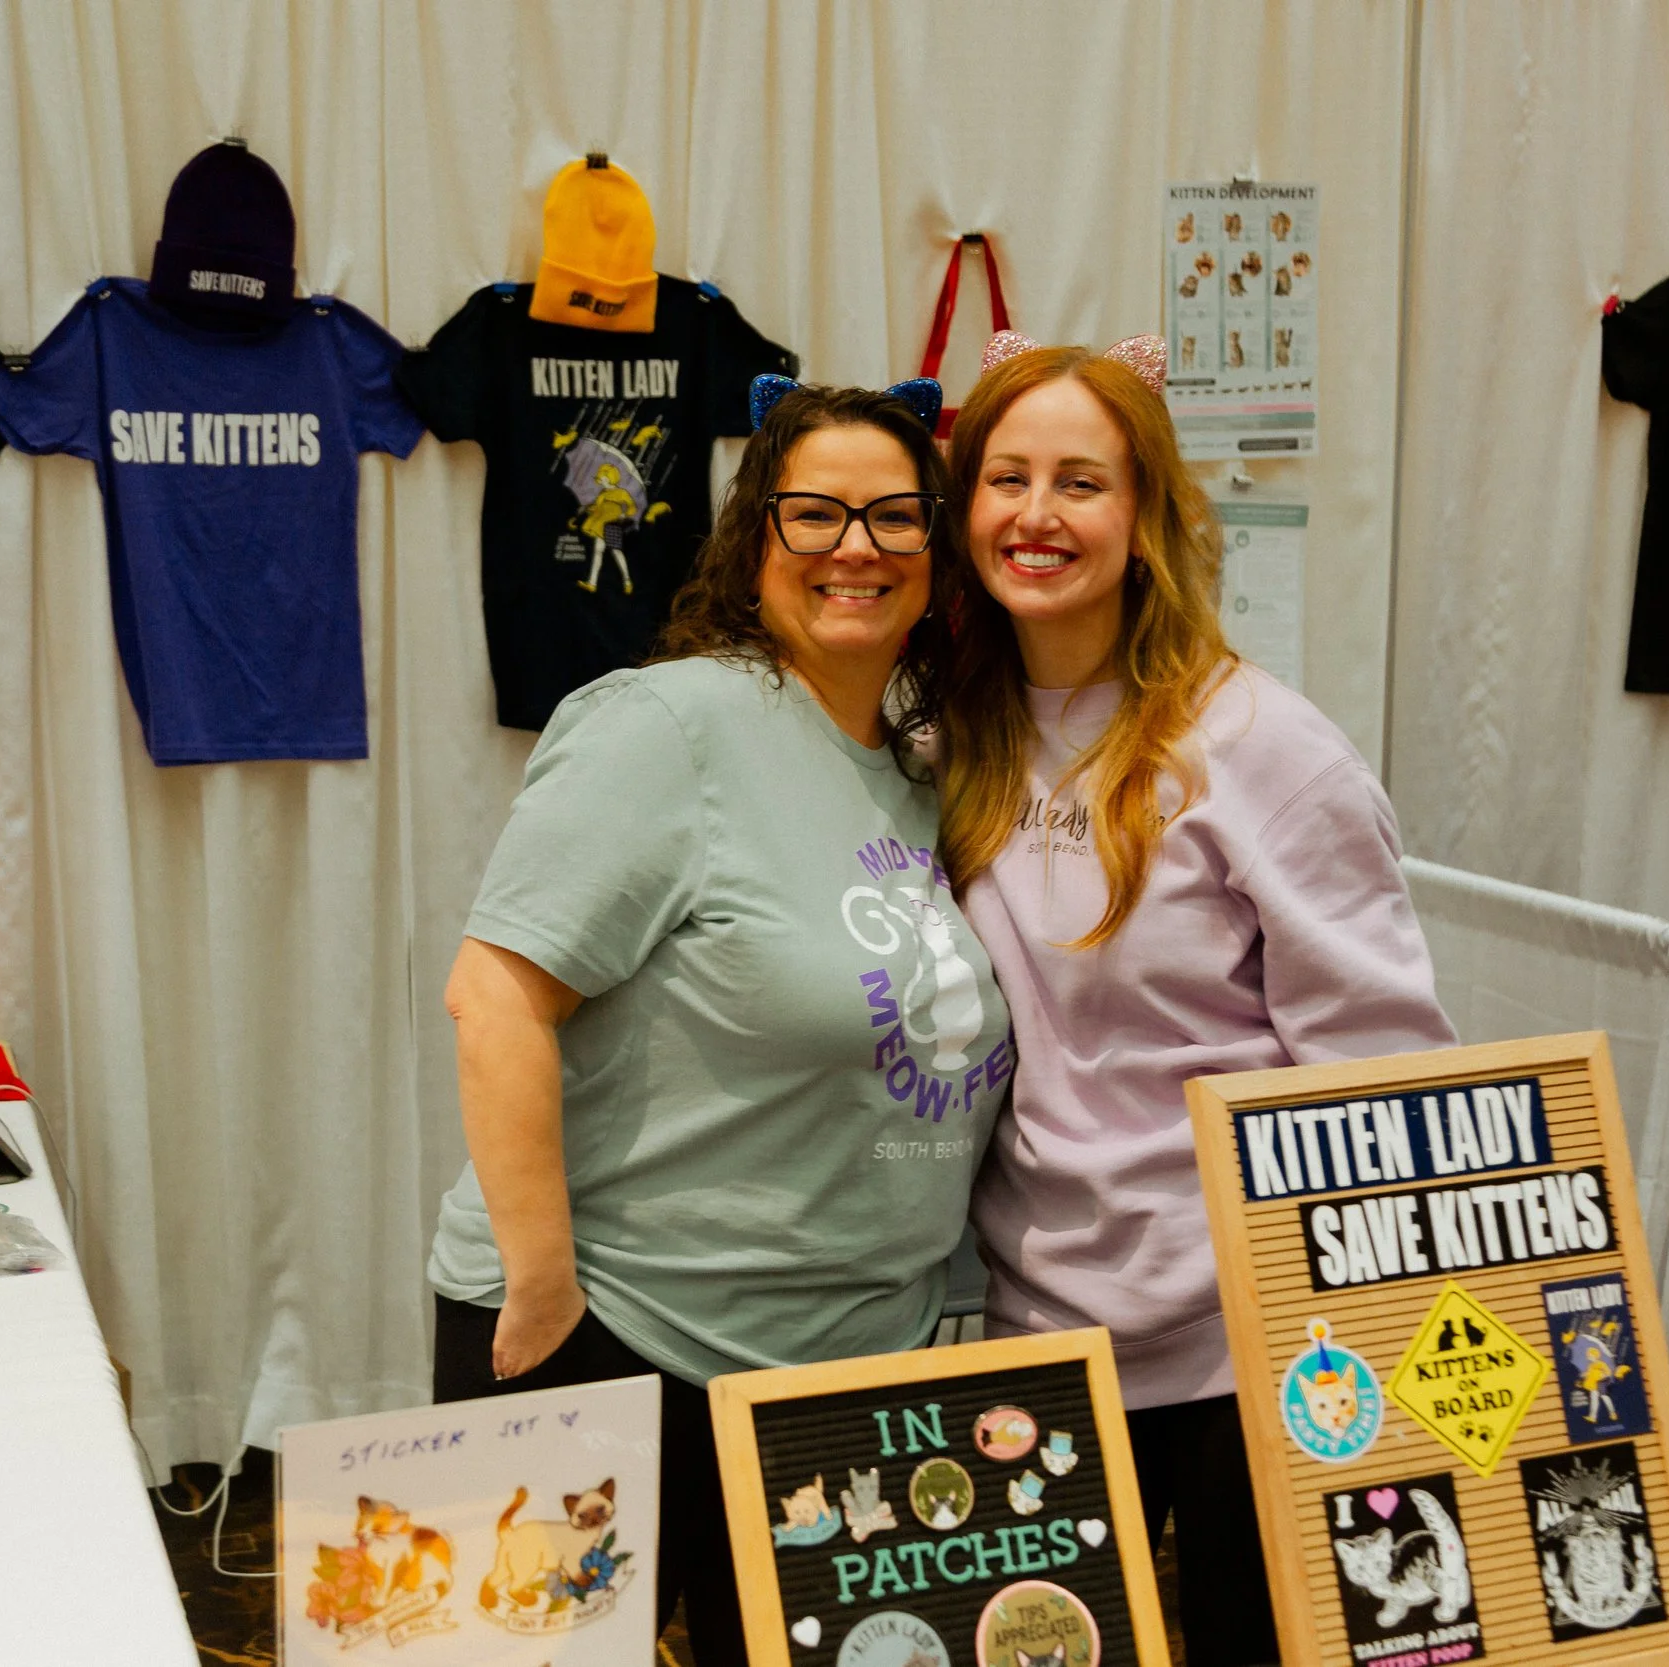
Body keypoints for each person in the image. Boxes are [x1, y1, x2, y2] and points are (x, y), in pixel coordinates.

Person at [428, 379, 1015, 1666]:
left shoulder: (926, 768)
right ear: (755, 540)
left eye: (895, 516)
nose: (855, 546)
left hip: (836, 1372)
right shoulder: (668, 725)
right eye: (815, 514)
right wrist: (543, 1288)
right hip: (619, 1332)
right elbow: (497, 992)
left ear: (936, 551)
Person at [936, 333, 1454, 1667]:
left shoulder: (1263, 747)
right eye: (1007, 477)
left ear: (1147, 512)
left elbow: (1383, 1070)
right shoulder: (949, 735)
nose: (1037, 514)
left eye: (1080, 481)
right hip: (1034, 1330)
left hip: (1249, 1347)